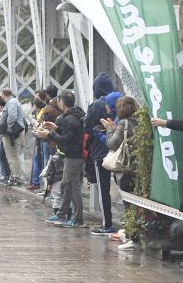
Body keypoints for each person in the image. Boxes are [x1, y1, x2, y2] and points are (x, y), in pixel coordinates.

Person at [39, 90, 86, 229]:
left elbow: (66, 140)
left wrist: (49, 135)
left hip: (74, 156)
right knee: (67, 184)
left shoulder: (69, 119)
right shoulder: (74, 116)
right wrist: (56, 129)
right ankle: (62, 214)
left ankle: (77, 218)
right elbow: (69, 135)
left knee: (73, 186)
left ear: (61, 102)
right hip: (73, 155)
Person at [103, 96, 140, 249]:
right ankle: (132, 234)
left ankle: (132, 237)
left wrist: (109, 129)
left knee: (128, 203)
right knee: (136, 203)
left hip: (125, 167)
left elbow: (111, 144)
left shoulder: (123, 124)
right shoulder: (140, 122)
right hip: (138, 167)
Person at [85, 86, 122, 236]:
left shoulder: (118, 120)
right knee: (122, 190)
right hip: (119, 159)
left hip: (103, 156)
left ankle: (107, 224)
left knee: (103, 190)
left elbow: (110, 142)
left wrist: (98, 132)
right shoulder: (121, 119)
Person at [0, 88, 26, 186]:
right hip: (14, 132)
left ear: (4, 94)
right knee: (11, 156)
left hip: (13, 132)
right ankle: (14, 176)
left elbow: (12, 116)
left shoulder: (11, 102)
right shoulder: (13, 102)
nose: (1, 97)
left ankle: (17, 177)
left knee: (13, 155)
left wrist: (8, 128)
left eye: (1, 95)